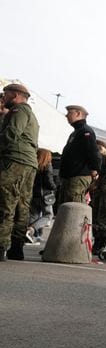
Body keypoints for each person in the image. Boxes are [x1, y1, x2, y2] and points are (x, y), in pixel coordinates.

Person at [0, 84, 39, 261]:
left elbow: (11, 134)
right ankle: (16, 248)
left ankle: (1, 246)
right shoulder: (30, 114)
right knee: (21, 205)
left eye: (5, 94)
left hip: (15, 160)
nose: (3, 97)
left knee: (5, 201)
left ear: (15, 95)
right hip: (28, 162)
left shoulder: (19, 111)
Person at [59, 105, 102, 204]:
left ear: (78, 114)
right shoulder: (77, 132)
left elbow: (93, 151)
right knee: (67, 207)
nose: (66, 116)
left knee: (74, 207)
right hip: (71, 175)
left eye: (70, 113)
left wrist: (95, 169)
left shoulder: (86, 131)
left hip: (78, 175)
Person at [27, 148, 57, 244]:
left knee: (33, 215)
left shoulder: (34, 165)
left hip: (34, 194)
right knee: (48, 215)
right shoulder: (47, 166)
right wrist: (54, 187)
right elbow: (49, 180)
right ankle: (32, 229)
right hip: (45, 195)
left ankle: (28, 234)